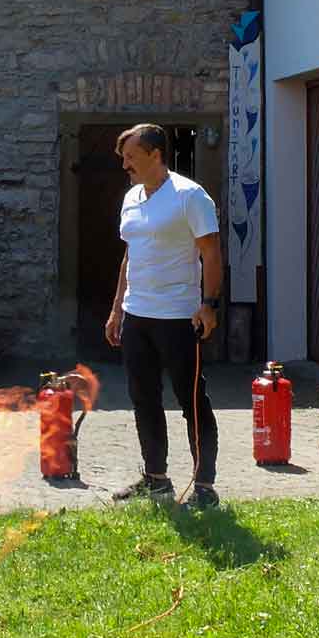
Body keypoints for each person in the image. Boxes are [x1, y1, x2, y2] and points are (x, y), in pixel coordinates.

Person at [104, 123, 222, 509]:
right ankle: (156, 478)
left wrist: (209, 304)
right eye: (124, 158)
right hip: (137, 313)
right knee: (144, 398)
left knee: (191, 400)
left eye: (131, 157)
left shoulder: (190, 196)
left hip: (178, 316)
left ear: (155, 154)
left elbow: (211, 253)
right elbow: (128, 255)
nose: (125, 165)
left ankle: (204, 486)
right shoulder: (132, 197)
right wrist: (117, 308)